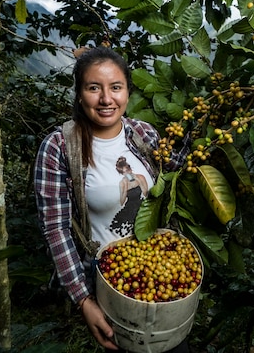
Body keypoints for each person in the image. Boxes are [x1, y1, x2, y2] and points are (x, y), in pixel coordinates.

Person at [33, 46, 191, 352]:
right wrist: (83, 300)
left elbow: (181, 166)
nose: (107, 99)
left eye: (115, 87)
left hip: (160, 264)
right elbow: (56, 230)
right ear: (79, 94)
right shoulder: (59, 147)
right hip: (111, 279)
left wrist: (208, 121)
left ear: (127, 93)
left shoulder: (144, 133)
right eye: (94, 88)